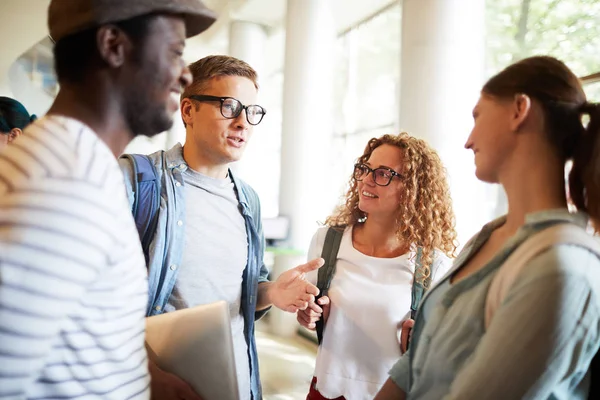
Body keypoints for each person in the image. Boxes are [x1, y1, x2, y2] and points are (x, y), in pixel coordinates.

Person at [0, 1, 216, 399]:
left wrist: (145, 379)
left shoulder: (82, 166)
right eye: (175, 52)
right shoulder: (61, 181)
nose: (185, 75)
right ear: (113, 44)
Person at [375, 56, 600, 400]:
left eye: (477, 116)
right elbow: (412, 367)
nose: (468, 140)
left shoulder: (561, 268)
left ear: (518, 110)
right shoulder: (485, 238)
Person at [119, 55, 324, 400]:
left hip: (237, 385)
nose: (244, 122)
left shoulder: (249, 201)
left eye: (252, 111)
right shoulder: (136, 182)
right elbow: (83, 296)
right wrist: (146, 373)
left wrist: (272, 292)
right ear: (188, 111)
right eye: (229, 106)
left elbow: (245, 291)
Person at [296, 133, 457, 400]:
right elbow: (312, 314)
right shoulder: (327, 241)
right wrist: (307, 314)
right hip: (326, 390)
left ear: (413, 190)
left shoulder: (433, 265)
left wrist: (425, 345)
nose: (366, 180)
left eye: (383, 173)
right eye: (365, 169)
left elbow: (443, 354)